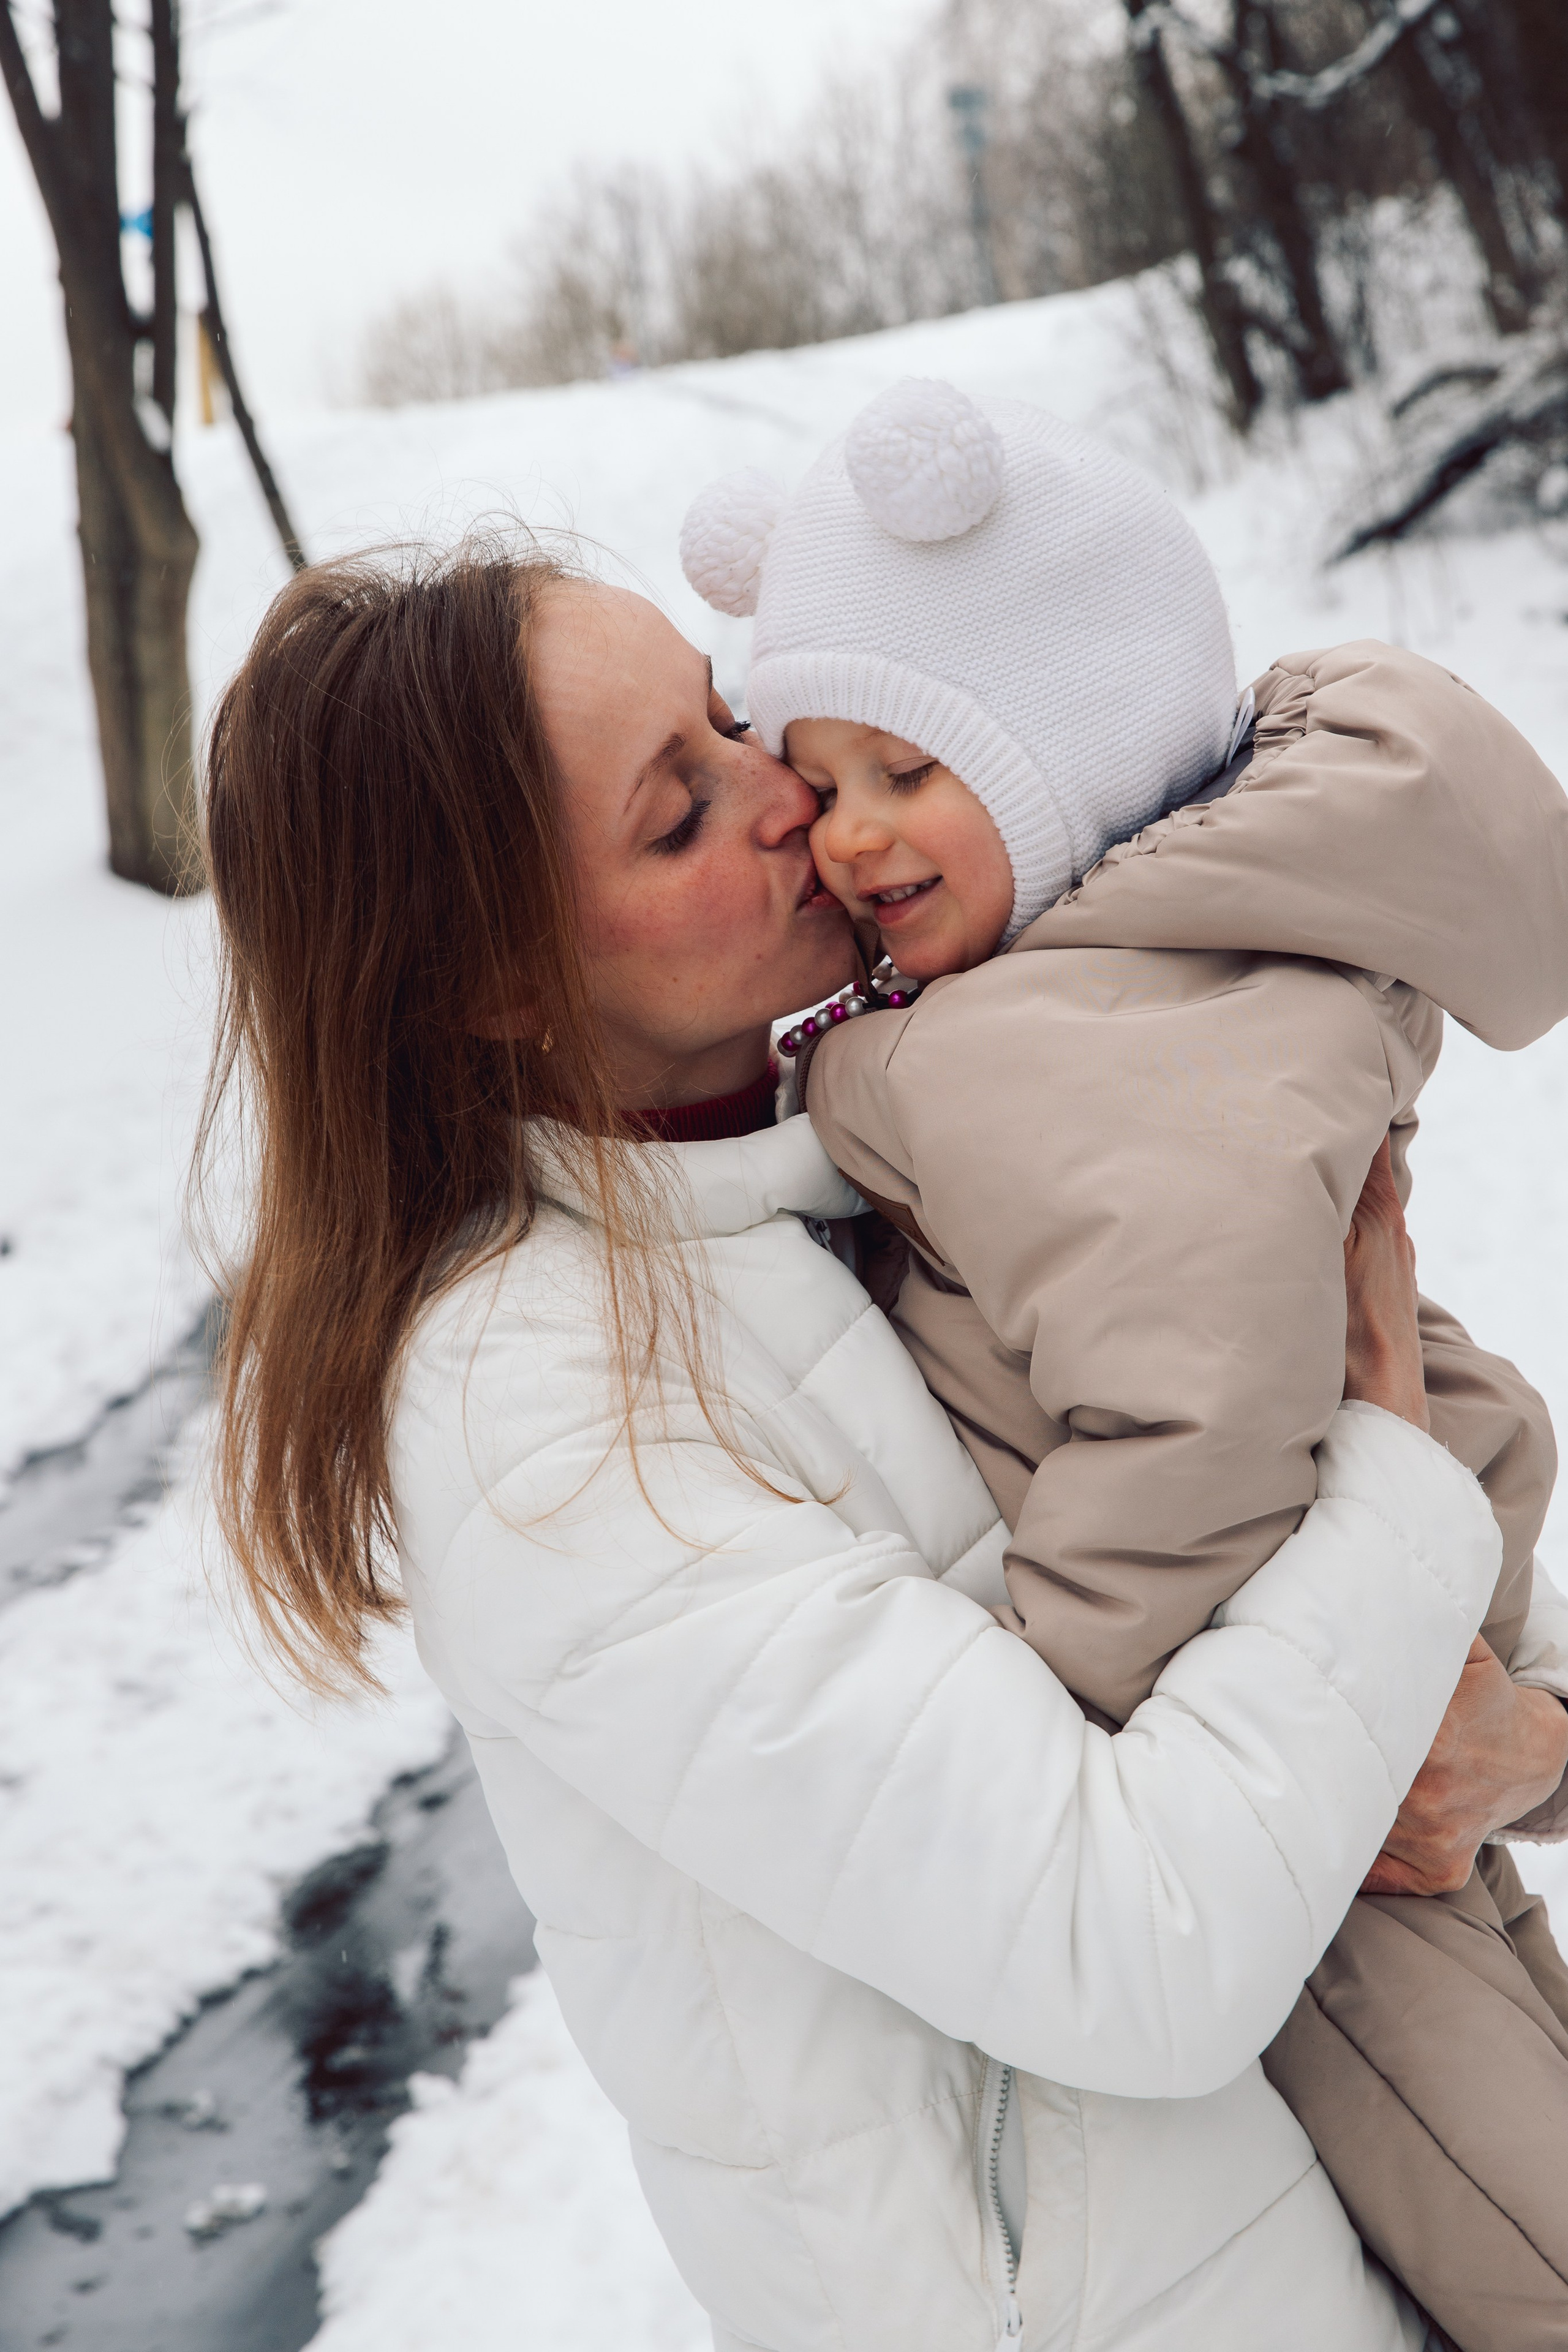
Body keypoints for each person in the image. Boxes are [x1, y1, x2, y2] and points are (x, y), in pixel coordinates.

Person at [195, 539, 1561, 2352]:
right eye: (680, 813)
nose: (791, 794)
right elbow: (1132, 1945)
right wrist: (1391, 1464)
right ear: (499, 983)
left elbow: (1304, 1566)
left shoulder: (882, 1139)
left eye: (726, 715)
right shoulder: (542, 1418)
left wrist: (1530, 1736)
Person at [678, 377, 1568, 2345]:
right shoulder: (1141, 980)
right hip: (1347, 1680)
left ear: (1071, 750)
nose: (845, 836)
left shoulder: (1049, 1045)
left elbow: (1198, 1418)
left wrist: (1053, 1714)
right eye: (816, 776)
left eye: (908, 766)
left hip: (1258, 1743)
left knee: (1521, 2230)